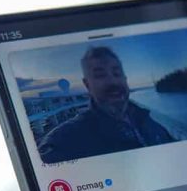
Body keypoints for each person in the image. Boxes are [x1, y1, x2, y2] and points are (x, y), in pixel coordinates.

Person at [37, 46, 175, 163]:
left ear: (125, 79)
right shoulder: (65, 142)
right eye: (100, 75)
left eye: (117, 73)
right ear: (87, 85)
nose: (112, 81)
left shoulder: (148, 121)